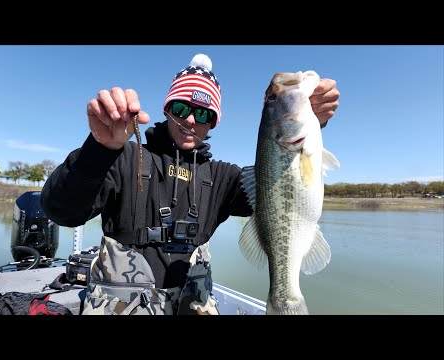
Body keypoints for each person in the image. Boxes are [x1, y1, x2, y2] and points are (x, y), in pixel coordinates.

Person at [40, 53, 340, 315]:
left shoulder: (223, 177)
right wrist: (100, 149)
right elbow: (61, 211)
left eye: (204, 113)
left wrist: (312, 119)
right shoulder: (124, 157)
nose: (192, 120)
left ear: (213, 122)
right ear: (167, 109)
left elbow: (278, 190)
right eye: (182, 109)